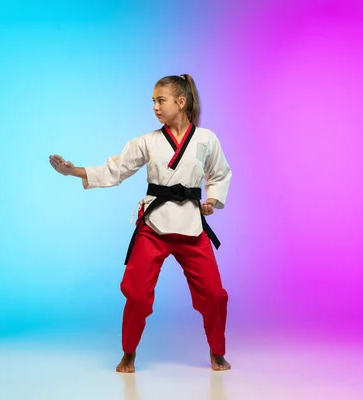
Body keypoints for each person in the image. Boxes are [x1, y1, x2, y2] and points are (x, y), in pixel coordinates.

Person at [49, 74, 232, 373]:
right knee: (135, 292)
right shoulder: (147, 141)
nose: (155, 107)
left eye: (161, 100)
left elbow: (219, 174)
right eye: (153, 102)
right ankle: (129, 352)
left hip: (191, 226)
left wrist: (212, 199)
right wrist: (74, 172)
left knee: (214, 294)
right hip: (155, 226)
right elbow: (115, 170)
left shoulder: (206, 140)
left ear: (181, 102)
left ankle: (217, 351)